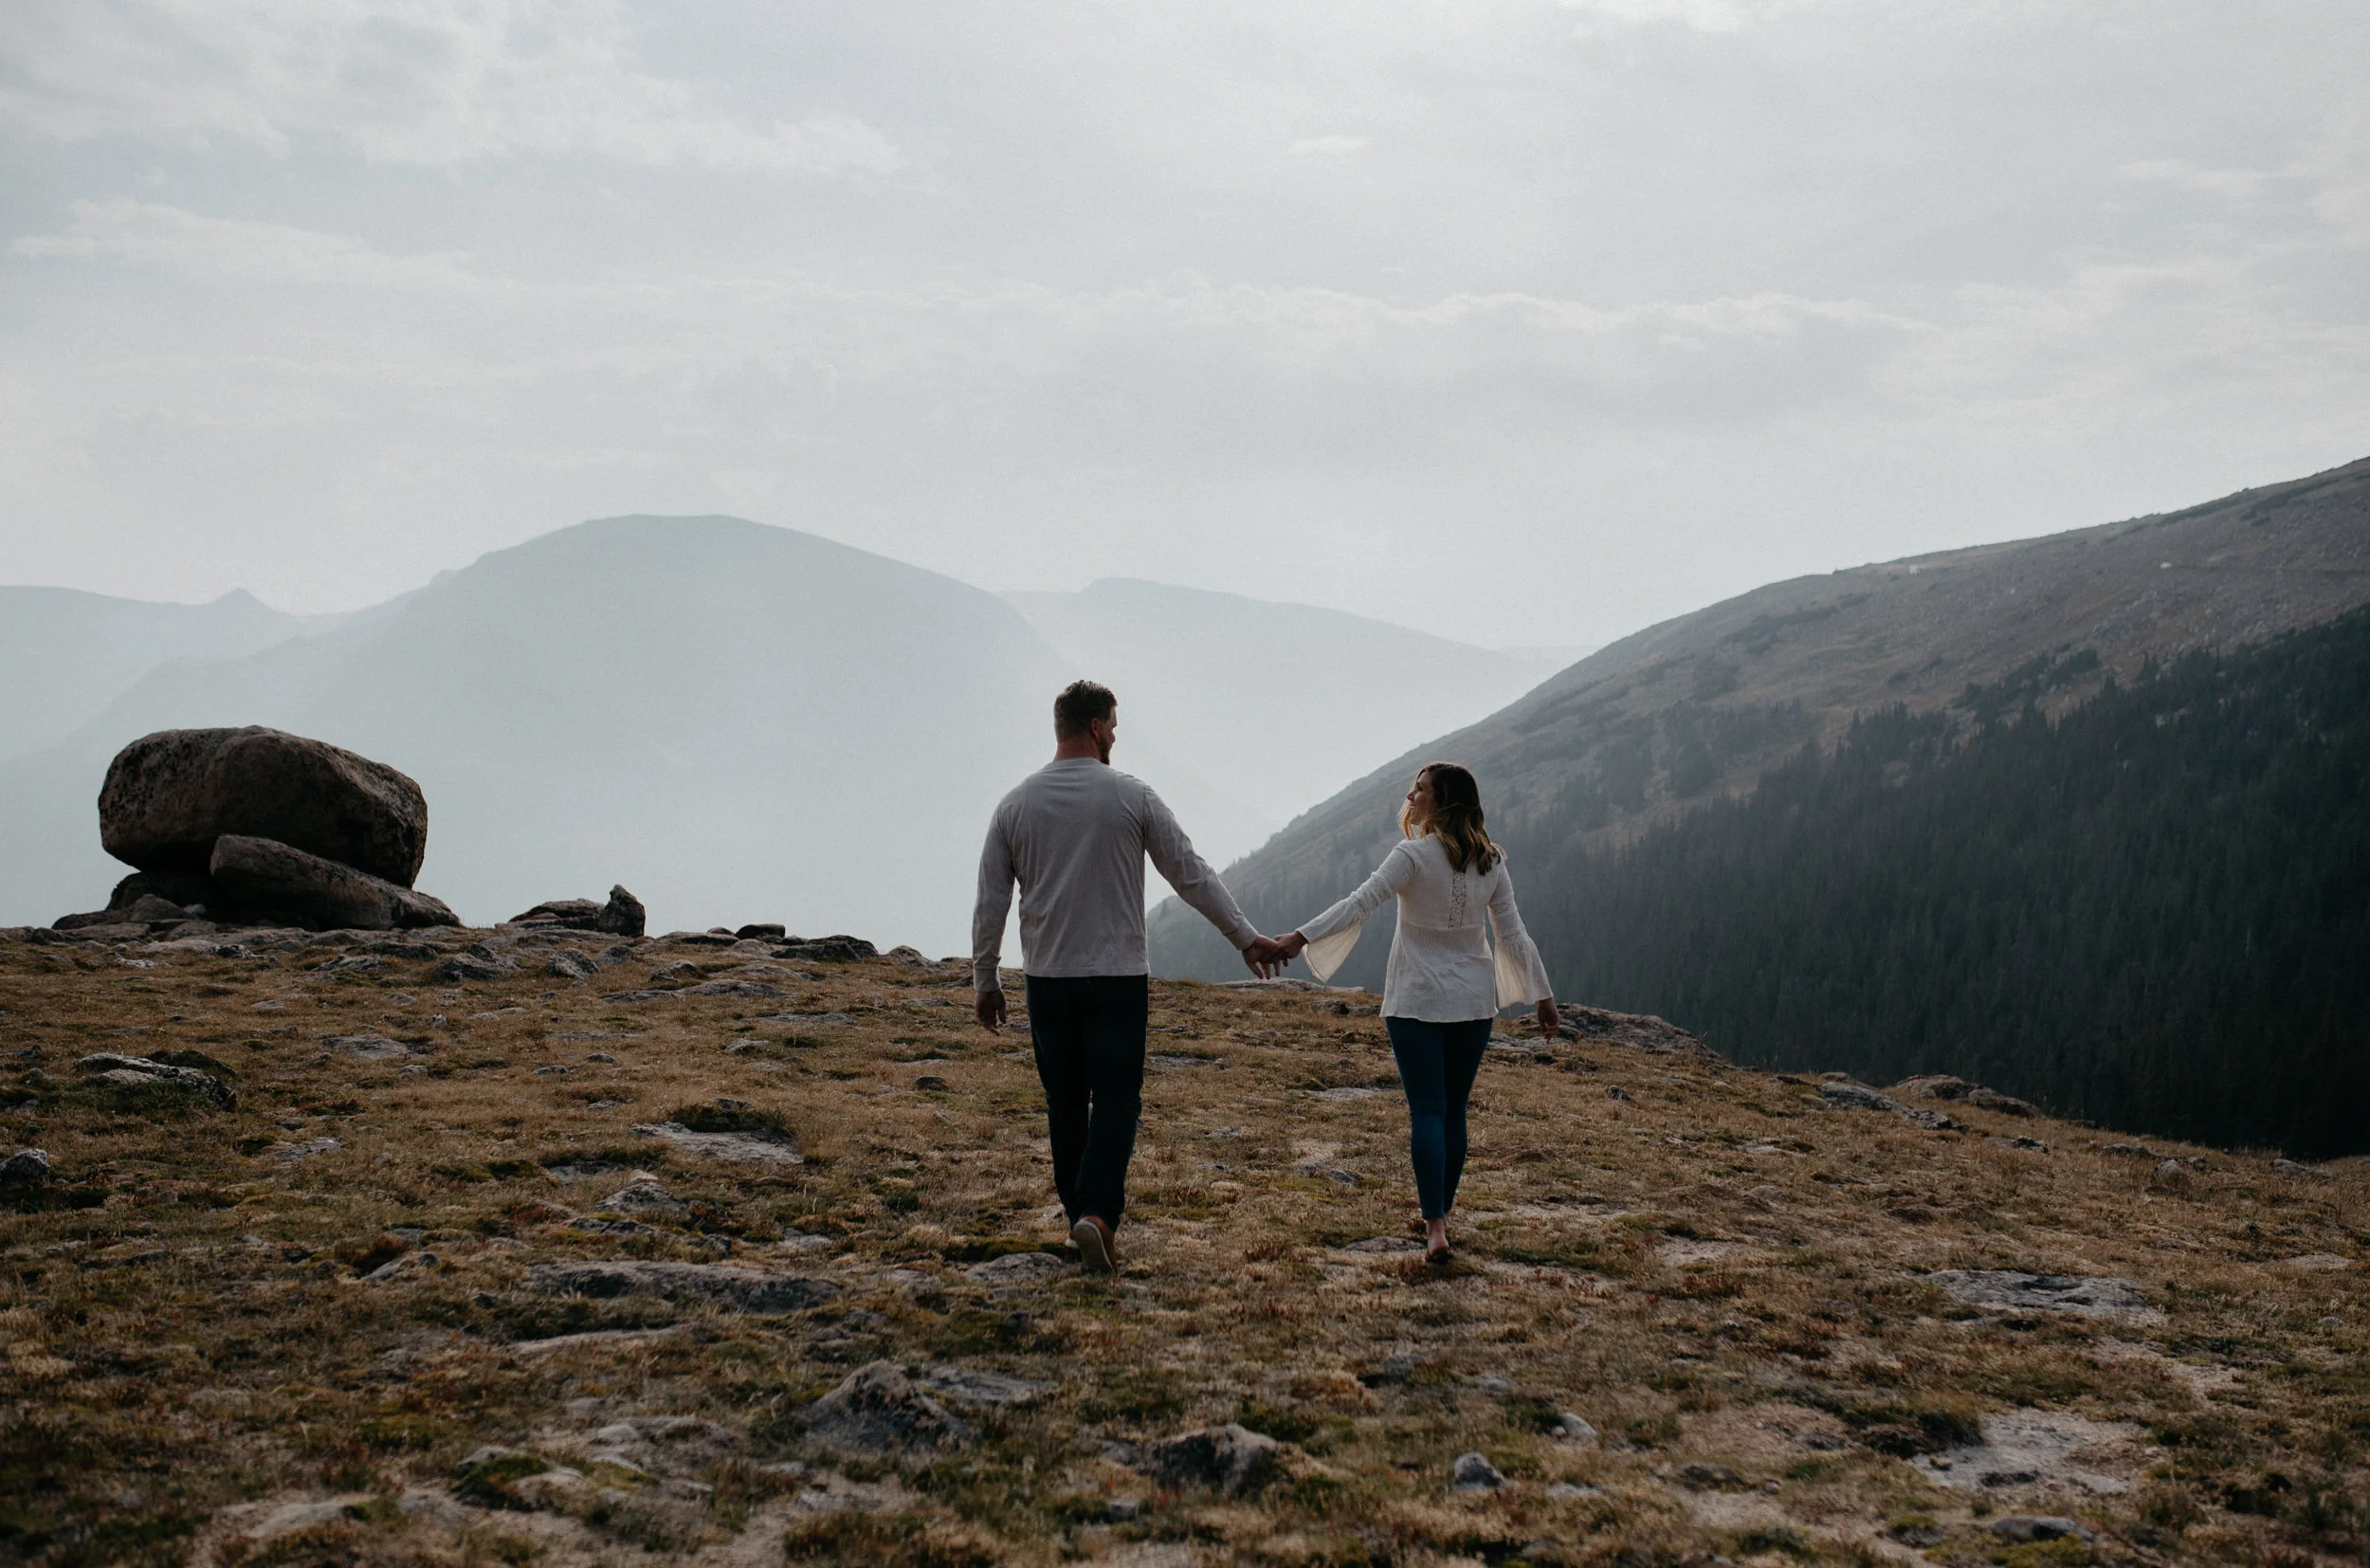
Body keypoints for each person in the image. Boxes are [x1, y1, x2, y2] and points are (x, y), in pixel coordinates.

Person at [974, 680, 1285, 1274]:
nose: (1115, 734)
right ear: (1095, 727)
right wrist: (1246, 938)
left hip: (1049, 978)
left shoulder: (1015, 804)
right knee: (1117, 1098)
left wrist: (985, 979)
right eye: (1113, 724)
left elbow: (991, 901)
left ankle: (1079, 1222)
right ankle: (1096, 1216)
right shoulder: (1131, 796)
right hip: (1117, 977)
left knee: (1065, 1102)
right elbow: (1190, 874)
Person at [1267, 762, 1558, 1266]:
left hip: (1416, 1001)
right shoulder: (1492, 862)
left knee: (1426, 1111)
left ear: (1441, 801)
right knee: (1453, 1112)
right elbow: (1512, 934)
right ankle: (1441, 1216)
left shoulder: (1411, 856)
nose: (1411, 795)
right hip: (1472, 1003)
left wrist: (1299, 936)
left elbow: (1360, 903)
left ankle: (1436, 1227)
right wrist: (1543, 995)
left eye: (1420, 789)